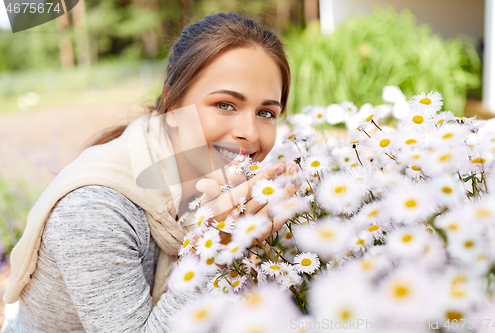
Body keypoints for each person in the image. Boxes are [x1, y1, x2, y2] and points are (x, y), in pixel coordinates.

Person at [1, 12, 300, 332]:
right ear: (172, 106)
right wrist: (211, 251)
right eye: (225, 105)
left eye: (266, 112)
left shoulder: (226, 185)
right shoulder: (96, 210)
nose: (250, 133)